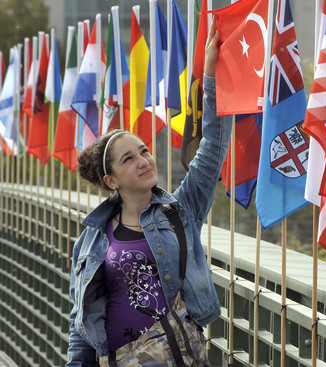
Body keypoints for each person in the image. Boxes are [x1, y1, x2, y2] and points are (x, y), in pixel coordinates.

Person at [66, 22, 230, 366]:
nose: (144, 161)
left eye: (144, 151)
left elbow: (212, 146)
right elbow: (81, 320)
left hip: (178, 357)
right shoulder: (92, 239)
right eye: (129, 159)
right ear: (112, 181)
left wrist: (211, 76)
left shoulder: (181, 210)